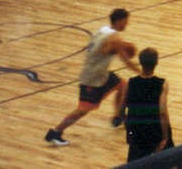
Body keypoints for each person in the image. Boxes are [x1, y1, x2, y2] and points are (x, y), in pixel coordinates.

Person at [45, 8, 141, 146]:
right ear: (119, 21)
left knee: (122, 85)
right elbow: (126, 60)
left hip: (99, 72)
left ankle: (118, 116)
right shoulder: (115, 38)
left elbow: (105, 49)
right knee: (83, 110)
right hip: (93, 78)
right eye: (126, 21)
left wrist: (119, 47)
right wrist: (141, 72)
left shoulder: (103, 30)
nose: (127, 24)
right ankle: (56, 132)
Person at [123, 47, 173, 162]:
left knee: (135, 163)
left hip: (137, 129)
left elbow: (122, 109)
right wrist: (165, 136)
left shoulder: (130, 83)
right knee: (167, 161)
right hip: (155, 129)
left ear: (140, 62)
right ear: (156, 62)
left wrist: (129, 131)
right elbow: (162, 112)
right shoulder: (162, 83)